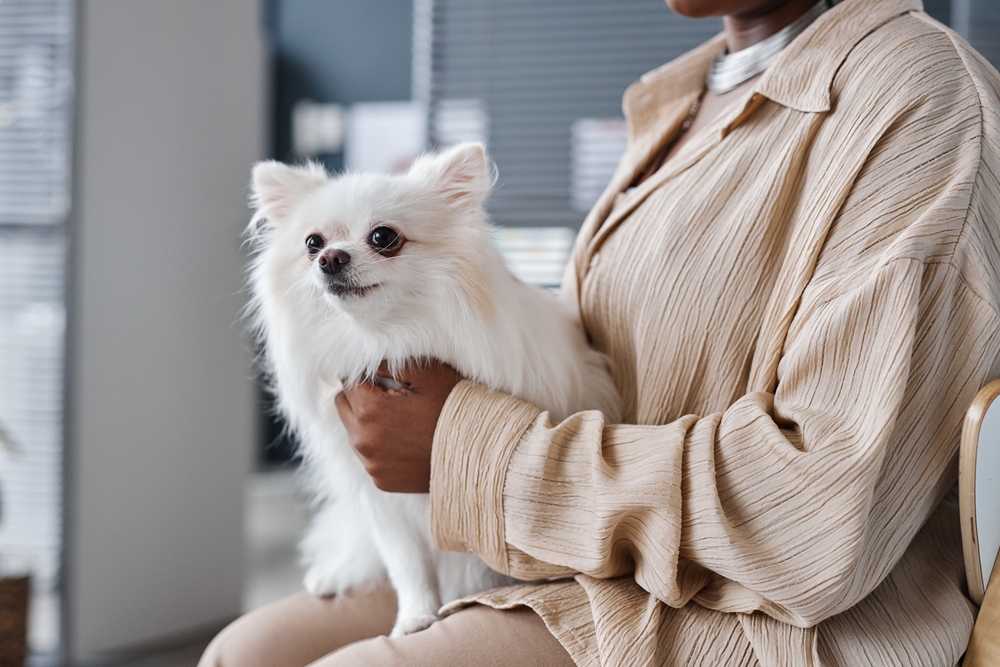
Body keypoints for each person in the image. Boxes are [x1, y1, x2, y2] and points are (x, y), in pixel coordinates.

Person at [200, 0, 1000, 664]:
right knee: (242, 653)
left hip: (759, 618)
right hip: (583, 555)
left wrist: (466, 445)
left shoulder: (915, 102)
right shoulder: (677, 102)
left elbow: (820, 514)